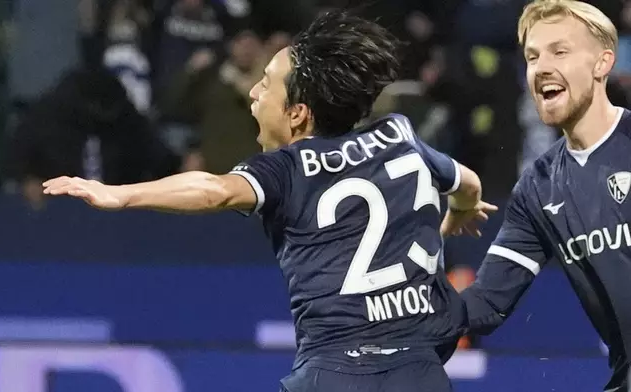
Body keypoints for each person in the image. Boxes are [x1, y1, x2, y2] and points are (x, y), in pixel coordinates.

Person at [43, 12, 496, 392]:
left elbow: (214, 190)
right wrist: (460, 211)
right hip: (420, 374)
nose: (254, 94)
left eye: (266, 84)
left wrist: (120, 194)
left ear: (297, 113)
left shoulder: (287, 168)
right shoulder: (398, 135)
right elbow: (468, 182)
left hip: (333, 371)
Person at [450, 1, 631, 390]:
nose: (542, 67)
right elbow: (485, 303)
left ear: (602, 64)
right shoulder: (538, 185)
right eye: (532, 56)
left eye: (559, 52)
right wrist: (394, 312)